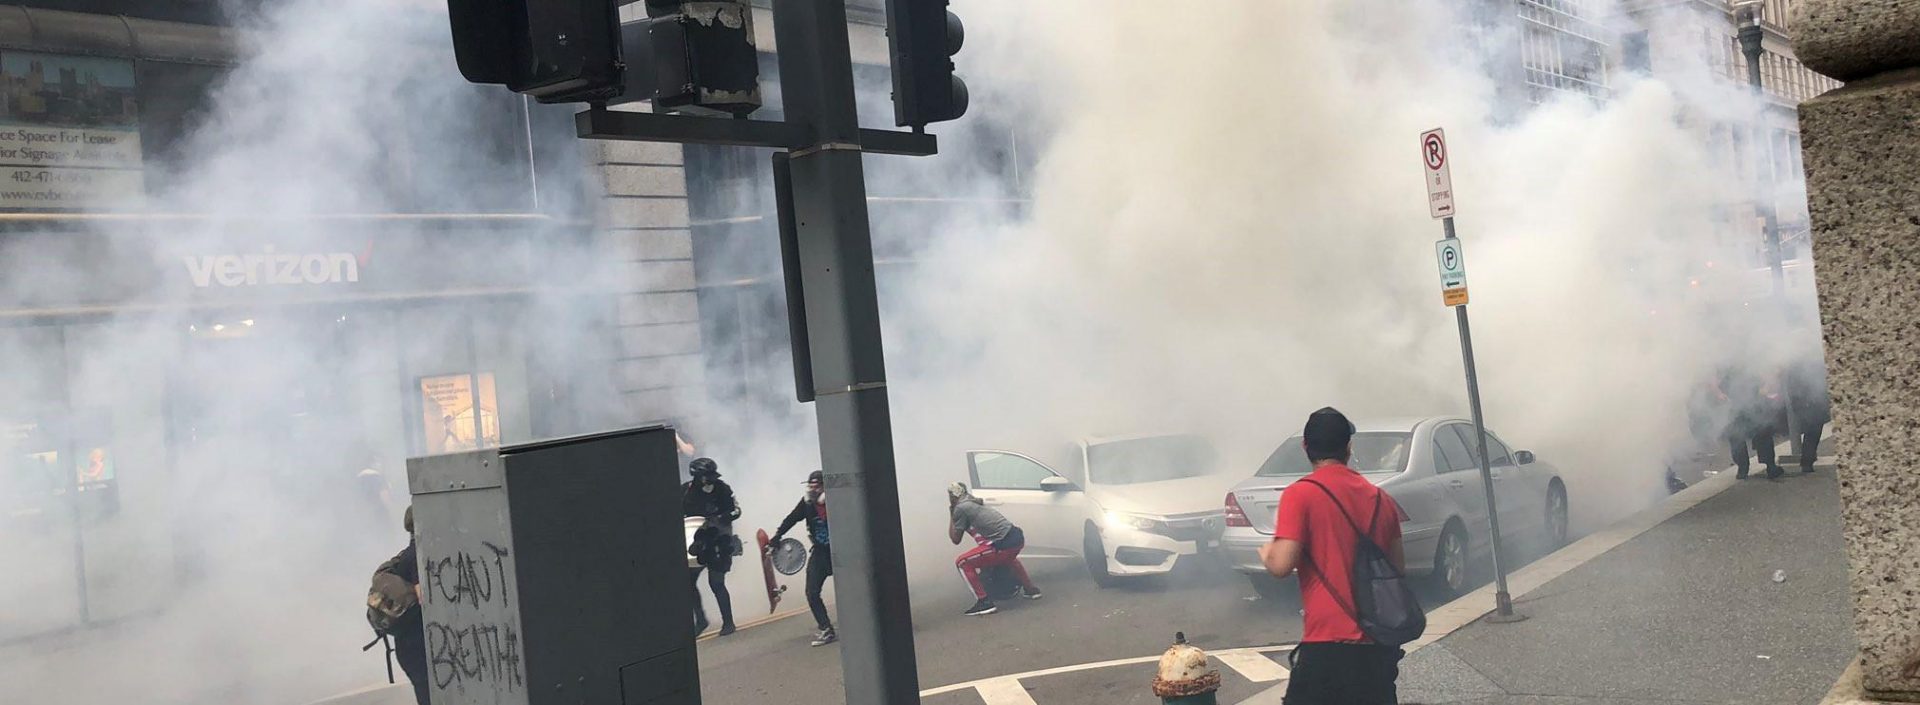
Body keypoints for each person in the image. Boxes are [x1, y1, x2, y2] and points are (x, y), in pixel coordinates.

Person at [1257, 407, 1407, 705]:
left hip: (1327, 644)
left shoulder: (1301, 495)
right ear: (1349, 448)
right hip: (1375, 645)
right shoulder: (1380, 499)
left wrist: (1266, 553)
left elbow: (1281, 565)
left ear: (1305, 447)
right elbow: (1398, 568)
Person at [947, 482, 1042, 616]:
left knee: (962, 562)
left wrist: (952, 513)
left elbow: (955, 539)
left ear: (952, 496)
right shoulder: (975, 503)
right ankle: (1031, 590)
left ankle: (984, 602)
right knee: (1009, 559)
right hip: (1016, 538)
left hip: (1004, 544)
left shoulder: (961, 508)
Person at [772, 470, 836, 646]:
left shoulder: (837, 500)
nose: (813, 490)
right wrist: (777, 536)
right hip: (821, 553)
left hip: (842, 552)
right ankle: (826, 629)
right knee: (812, 592)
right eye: (811, 486)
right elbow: (792, 518)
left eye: (817, 487)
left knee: (857, 589)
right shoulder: (808, 503)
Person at [377, 507, 430, 705]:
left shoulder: (403, 556)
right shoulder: (418, 556)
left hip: (407, 646)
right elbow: (423, 596)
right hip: (420, 646)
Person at [683, 457, 740, 636]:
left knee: (716, 582)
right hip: (697, 543)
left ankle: (728, 622)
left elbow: (736, 510)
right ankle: (700, 620)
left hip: (719, 541)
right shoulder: (685, 491)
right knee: (687, 582)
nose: (710, 481)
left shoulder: (723, 489)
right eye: (706, 477)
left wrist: (723, 517)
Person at [1713, 363, 1784, 480]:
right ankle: (1770, 466)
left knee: (1737, 435)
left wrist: (1722, 394)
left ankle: (1743, 468)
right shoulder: (1749, 360)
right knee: (1762, 433)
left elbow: (1720, 383)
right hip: (1754, 402)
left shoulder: (1727, 362)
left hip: (1737, 404)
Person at [1787, 356, 1832, 473]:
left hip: (1804, 403)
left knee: (1810, 432)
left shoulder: (1794, 365)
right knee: (1813, 433)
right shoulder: (1811, 364)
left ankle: (1808, 458)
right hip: (1812, 402)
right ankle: (1807, 460)